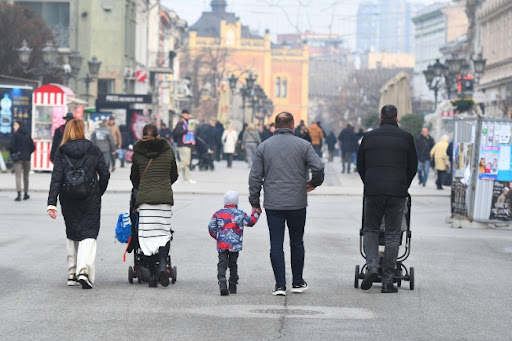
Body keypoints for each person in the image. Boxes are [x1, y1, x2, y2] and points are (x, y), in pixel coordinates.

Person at [249, 112, 325, 296]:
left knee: (276, 243)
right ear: (292, 126)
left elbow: (255, 177)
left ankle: (280, 285)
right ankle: (297, 282)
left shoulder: (264, 147)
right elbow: (319, 167)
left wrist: (255, 202)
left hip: (273, 203)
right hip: (297, 202)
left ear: (275, 126)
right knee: (297, 241)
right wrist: (314, 183)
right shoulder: (304, 145)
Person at [357, 105, 417, 293]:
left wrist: (369, 183)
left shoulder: (369, 137)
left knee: (371, 229)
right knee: (392, 234)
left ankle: (373, 267)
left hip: (373, 191)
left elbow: (360, 165)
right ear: (397, 118)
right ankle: (387, 281)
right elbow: (413, 167)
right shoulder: (407, 138)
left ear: (380, 119)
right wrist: (403, 185)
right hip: (397, 192)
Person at [47, 119, 110, 289]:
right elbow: (105, 173)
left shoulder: (61, 152)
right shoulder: (93, 149)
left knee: (73, 232)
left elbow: (57, 179)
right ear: (83, 130)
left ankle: (72, 273)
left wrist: (51, 203)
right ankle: (84, 271)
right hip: (90, 197)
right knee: (89, 233)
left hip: (68, 197)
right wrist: (98, 191)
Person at [130, 123, 178, 287]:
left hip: (145, 201)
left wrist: (144, 185)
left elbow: (134, 179)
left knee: (146, 238)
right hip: (164, 200)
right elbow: (174, 175)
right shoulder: (169, 152)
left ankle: (152, 277)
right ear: (158, 135)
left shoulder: (137, 155)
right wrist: (164, 184)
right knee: (164, 234)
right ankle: (163, 265)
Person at [208, 190, 260, 295]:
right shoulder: (240, 214)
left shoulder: (218, 213)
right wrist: (256, 212)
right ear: (237, 202)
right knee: (233, 264)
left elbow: (211, 227)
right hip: (235, 245)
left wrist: (217, 237)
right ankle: (232, 285)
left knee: (222, 263)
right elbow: (250, 222)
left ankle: (222, 281)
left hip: (222, 245)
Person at [9, 120, 35, 201]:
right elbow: (33, 147)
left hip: (18, 159)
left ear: (19, 125)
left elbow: (11, 146)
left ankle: (19, 194)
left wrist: (14, 153)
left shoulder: (15, 135)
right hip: (27, 159)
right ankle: (26, 194)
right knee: (26, 176)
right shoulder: (27, 135)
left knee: (18, 176)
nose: (14, 127)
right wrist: (27, 153)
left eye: (15, 125)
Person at [174, 109, 196, 183]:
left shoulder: (187, 122)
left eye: (188, 114)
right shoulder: (181, 123)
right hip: (182, 144)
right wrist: (187, 130)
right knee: (184, 162)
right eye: (186, 114)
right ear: (183, 114)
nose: (187, 115)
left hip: (188, 144)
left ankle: (187, 178)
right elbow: (178, 132)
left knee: (187, 163)